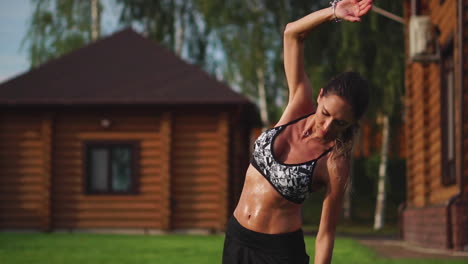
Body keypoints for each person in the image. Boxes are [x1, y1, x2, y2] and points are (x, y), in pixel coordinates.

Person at [222, 0, 373, 263]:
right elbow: (292, 33)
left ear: (352, 124)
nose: (327, 127)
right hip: (236, 240)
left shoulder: (334, 161)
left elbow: (326, 234)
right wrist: (334, 12)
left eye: (340, 123)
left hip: (278, 253)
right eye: (325, 114)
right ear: (320, 95)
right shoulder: (298, 105)